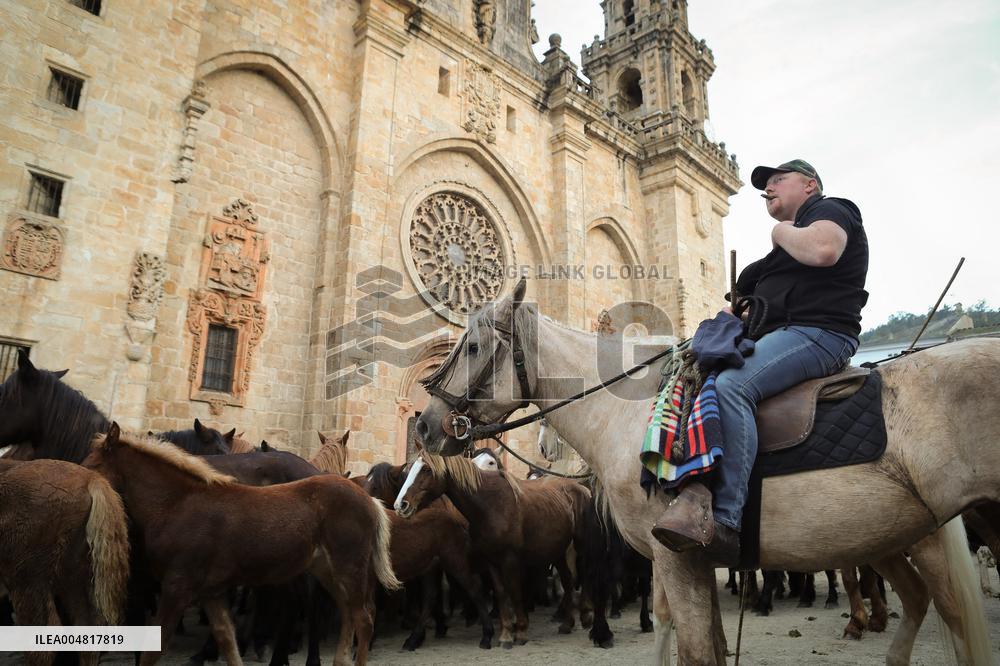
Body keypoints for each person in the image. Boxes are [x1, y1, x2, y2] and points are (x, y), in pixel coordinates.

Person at [651, 159, 869, 566]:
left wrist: (779, 231)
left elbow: (824, 250)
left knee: (733, 386)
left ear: (809, 184)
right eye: (764, 186)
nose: (768, 189)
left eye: (778, 181)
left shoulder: (831, 210)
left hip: (819, 334)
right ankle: (694, 484)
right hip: (780, 338)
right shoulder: (775, 258)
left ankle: (727, 519)